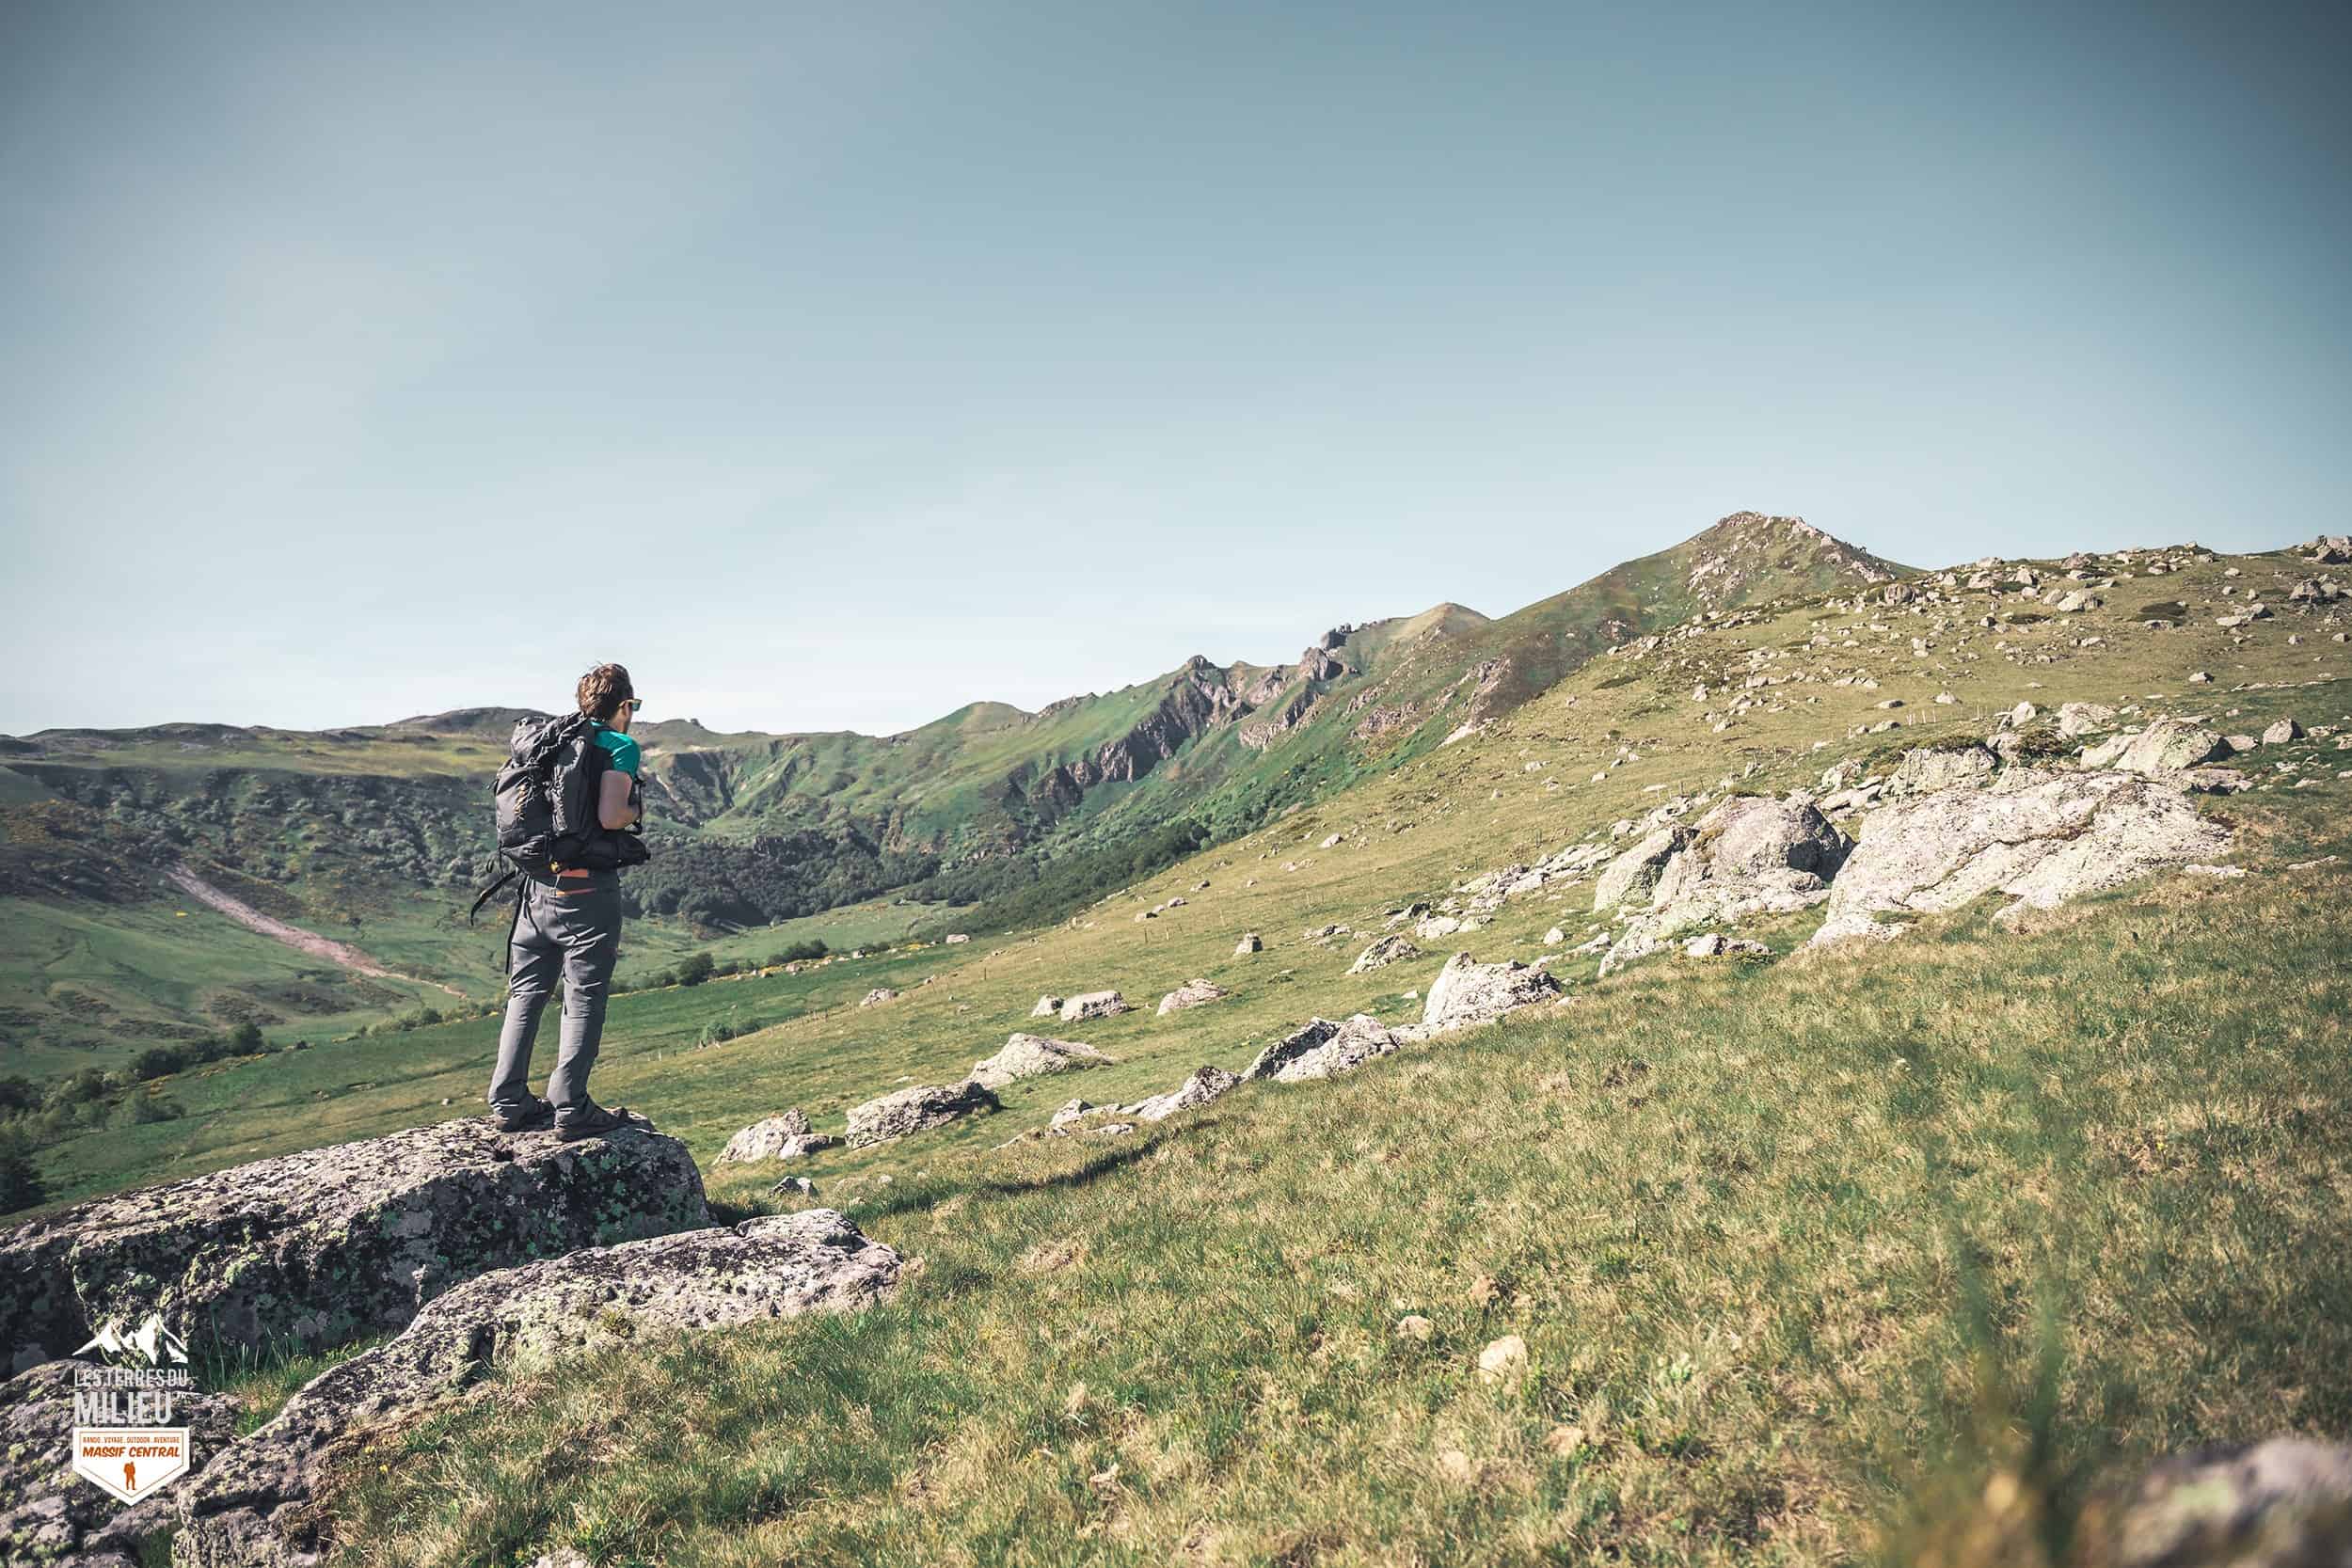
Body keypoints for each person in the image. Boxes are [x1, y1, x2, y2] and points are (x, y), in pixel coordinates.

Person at [485, 663, 646, 1140]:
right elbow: (611, 816)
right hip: (587, 893)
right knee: (582, 999)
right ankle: (571, 1106)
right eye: (633, 706)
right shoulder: (619, 746)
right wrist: (638, 805)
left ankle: (508, 1100)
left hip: (538, 887)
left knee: (526, 994)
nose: (632, 715)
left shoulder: (550, 741)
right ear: (622, 705)